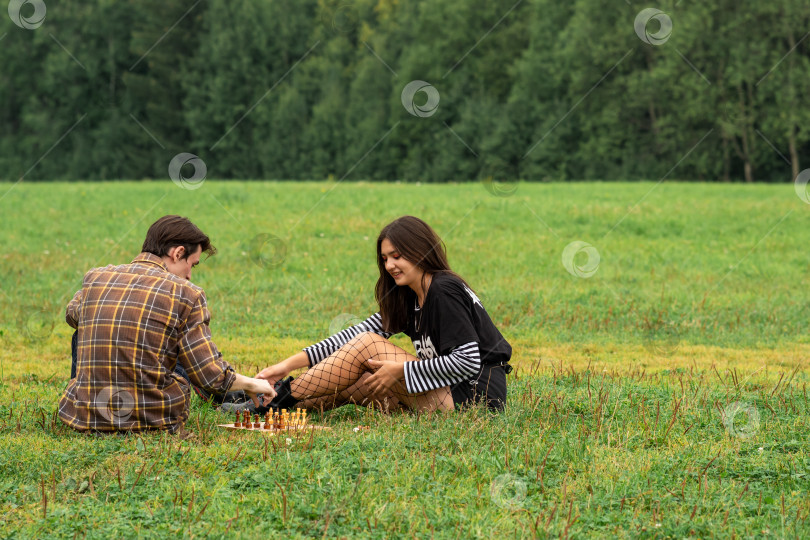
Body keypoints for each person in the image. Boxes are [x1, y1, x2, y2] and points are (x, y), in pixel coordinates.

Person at [257, 215, 512, 414]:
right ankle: (265, 406)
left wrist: (402, 370)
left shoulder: (443, 289)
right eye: (385, 258)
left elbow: (467, 362)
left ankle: (276, 396)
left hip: (474, 398)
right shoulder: (410, 296)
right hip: (442, 392)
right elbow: (350, 339)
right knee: (349, 379)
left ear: (420, 251)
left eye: (397, 256)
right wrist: (286, 365)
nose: (389, 265)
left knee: (369, 344)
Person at [58, 215, 276, 436]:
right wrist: (252, 384)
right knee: (178, 339)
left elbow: (73, 315)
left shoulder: (96, 277)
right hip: (153, 419)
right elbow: (210, 375)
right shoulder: (187, 293)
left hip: (84, 418)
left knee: (86, 330)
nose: (189, 275)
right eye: (191, 265)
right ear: (177, 253)